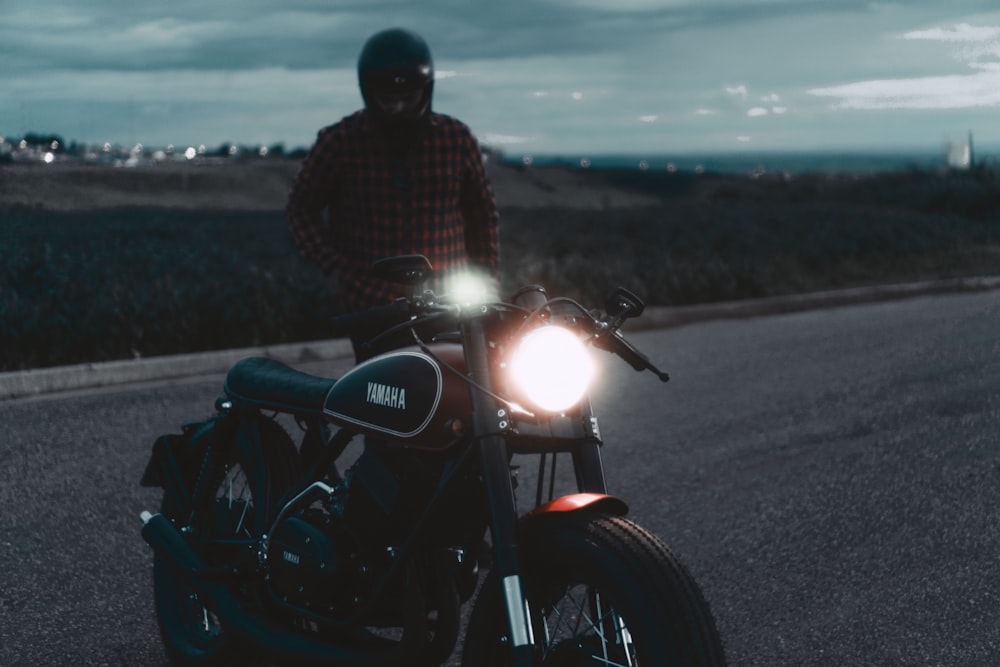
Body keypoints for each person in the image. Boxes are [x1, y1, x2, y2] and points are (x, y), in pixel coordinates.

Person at [286, 27, 500, 360]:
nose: (398, 107)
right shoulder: (340, 141)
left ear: (426, 90)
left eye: (408, 97)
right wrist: (336, 270)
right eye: (388, 98)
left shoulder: (456, 139)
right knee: (386, 400)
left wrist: (485, 274)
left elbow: (481, 213)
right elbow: (300, 210)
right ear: (368, 93)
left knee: (463, 392)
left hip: (449, 301)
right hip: (374, 305)